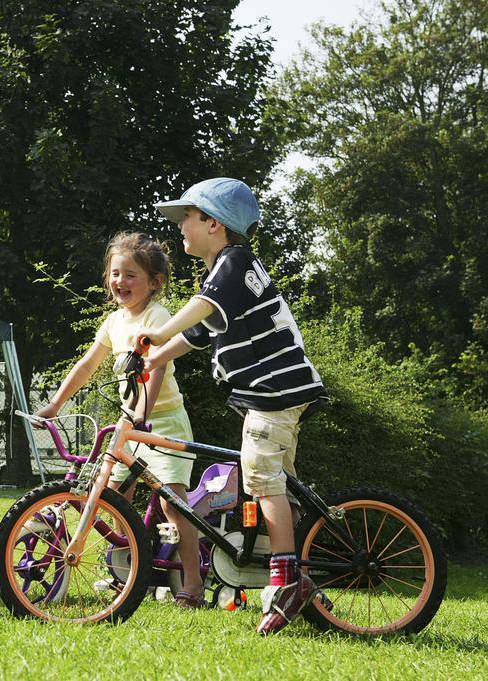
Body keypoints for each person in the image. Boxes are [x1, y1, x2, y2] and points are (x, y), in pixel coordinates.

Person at [136, 177, 328, 634]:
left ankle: (286, 581)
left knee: (261, 478)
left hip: (273, 394)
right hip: (276, 394)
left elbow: (199, 309)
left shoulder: (234, 262)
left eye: (187, 216)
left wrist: (158, 334)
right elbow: (200, 332)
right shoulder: (228, 272)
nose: (180, 225)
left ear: (214, 224)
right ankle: (291, 562)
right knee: (279, 485)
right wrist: (156, 355)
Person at [33, 232, 206, 609]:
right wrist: (54, 405)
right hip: (131, 423)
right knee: (112, 500)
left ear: (154, 282)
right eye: (115, 273)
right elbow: (86, 365)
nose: (120, 282)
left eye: (131, 275)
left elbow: (155, 366)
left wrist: (143, 411)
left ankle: (192, 584)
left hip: (164, 422)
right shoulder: (113, 322)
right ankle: (122, 575)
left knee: (173, 504)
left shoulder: (157, 317)